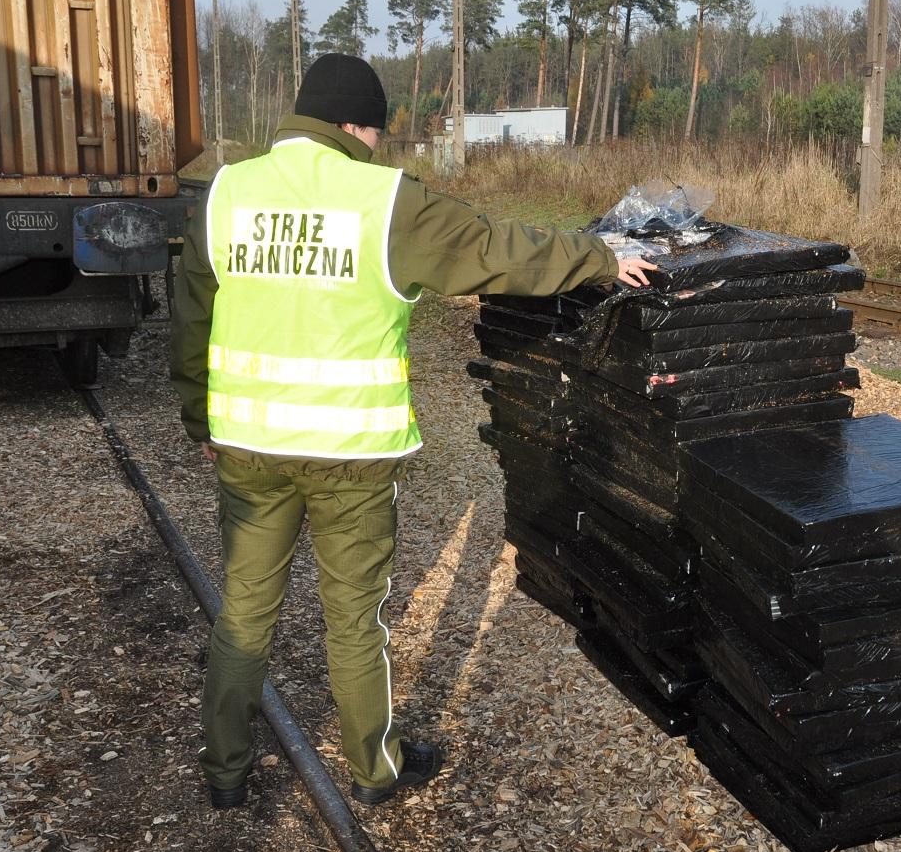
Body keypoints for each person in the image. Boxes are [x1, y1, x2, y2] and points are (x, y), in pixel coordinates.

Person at [170, 54, 657, 809]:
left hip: (249, 448)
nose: (375, 146)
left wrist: (199, 414)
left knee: (242, 612)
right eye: (375, 132)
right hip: (351, 455)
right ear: (354, 125)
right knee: (353, 620)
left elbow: (193, 314)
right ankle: (374, 771)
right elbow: (496, 249)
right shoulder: (384, 199)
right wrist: (598, 257)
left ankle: (225, 770)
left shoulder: (228, 191)